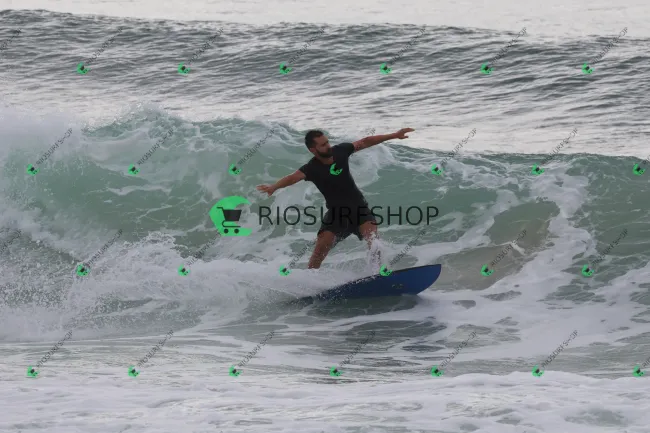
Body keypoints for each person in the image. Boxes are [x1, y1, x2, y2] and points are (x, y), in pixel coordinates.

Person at [256, 128, 414, 269]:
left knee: (374, 242)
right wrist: (273, 187)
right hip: (336, 215)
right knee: (319, 251)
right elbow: (292, 178)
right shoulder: (312, 168)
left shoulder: (341, 151)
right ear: (313, 150)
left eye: (327, 142)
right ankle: (309, 281)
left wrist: (394, 135)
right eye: (323, 145)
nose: (328, 146)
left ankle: (377, 274)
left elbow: (365, 142)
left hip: (359, 208)